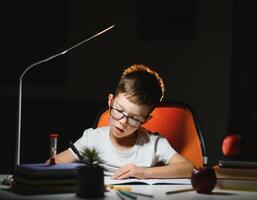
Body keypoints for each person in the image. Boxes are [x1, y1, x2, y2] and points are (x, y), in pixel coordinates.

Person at [48, 64, 194, 179]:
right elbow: (53, 164)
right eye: (118, 110)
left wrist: (143, 172)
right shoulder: (92, 138)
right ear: (110, 100)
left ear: (145, 120)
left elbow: (188, 168)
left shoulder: (153, 143)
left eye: (135, 119)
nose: (123, 122)